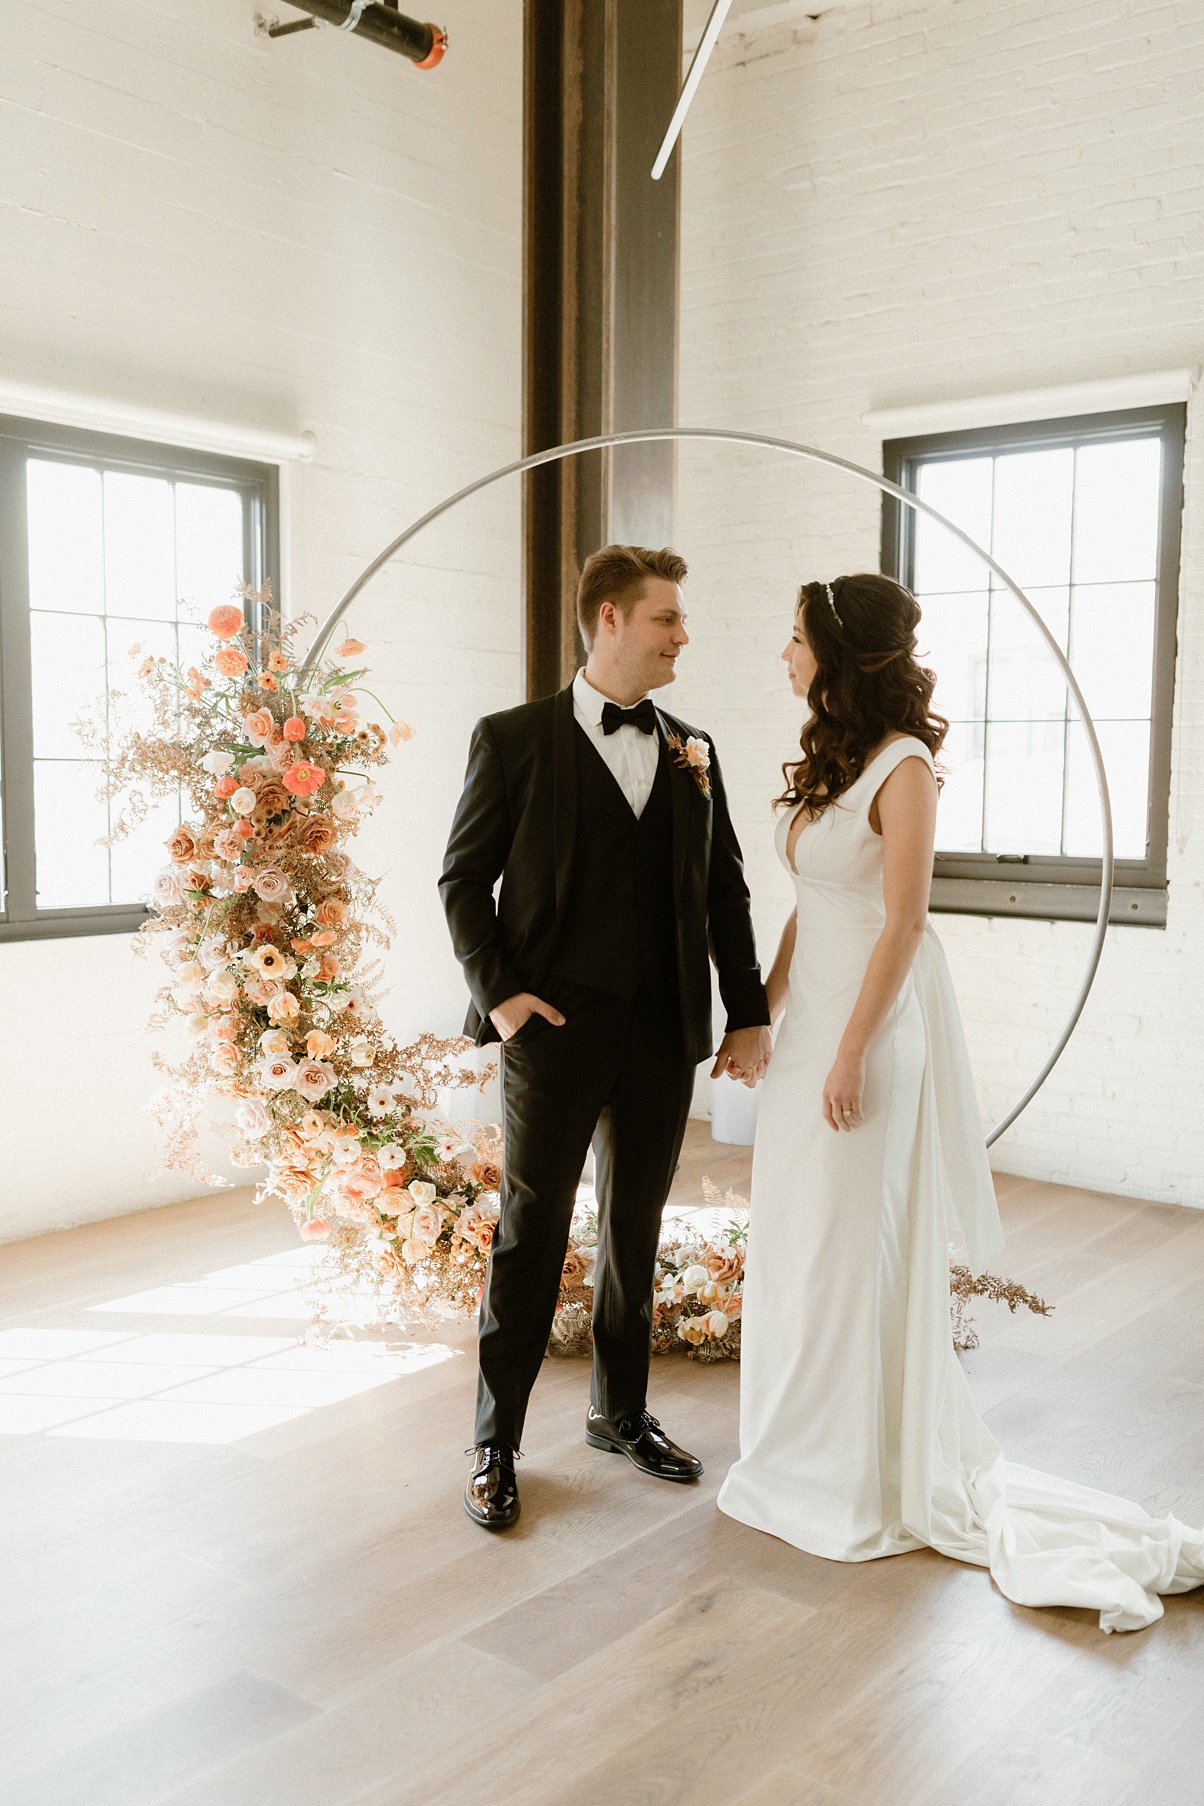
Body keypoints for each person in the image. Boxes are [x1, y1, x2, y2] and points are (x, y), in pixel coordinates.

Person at [718, 572, 1204, 1632]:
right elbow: (813, 905)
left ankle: (863, 1469)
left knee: (856, 1246)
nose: (784, 657)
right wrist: (761, 1018)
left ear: (839, 654)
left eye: (794, 641)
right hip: (812, 1036)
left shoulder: (904, 767)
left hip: (875, 1034)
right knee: (800, 1241)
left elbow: (900, 923)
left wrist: (849, 1051)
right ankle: (798, 1446)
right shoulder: (828, 760)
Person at [440, 544, 773, 1530]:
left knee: (634, 1226)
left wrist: (747, 1009)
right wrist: (500, 997)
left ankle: (618, 1412)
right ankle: (495, 1441)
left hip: (661, 1032)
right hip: (552, 1030)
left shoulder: (695, 747)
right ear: (610, 621)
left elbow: (725, 889)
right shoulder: (510, 739)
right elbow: (463, 880)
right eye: (666, 618)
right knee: (530, 1236)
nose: (681, 636)